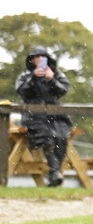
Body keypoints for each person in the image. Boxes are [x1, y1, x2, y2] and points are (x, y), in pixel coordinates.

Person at [15, 47, 72, 186]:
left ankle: (55, 174)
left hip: (56, 116)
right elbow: (22, 91)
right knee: (46, 137)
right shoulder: (25, 76)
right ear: (32, 59)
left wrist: (51, 79)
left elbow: (62, 90)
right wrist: (34, 77)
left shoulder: (56, 74)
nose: (39, 59)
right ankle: (55, 172)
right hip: (33, 116)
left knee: (61, 137)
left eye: (42, 56)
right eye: (36, 56)